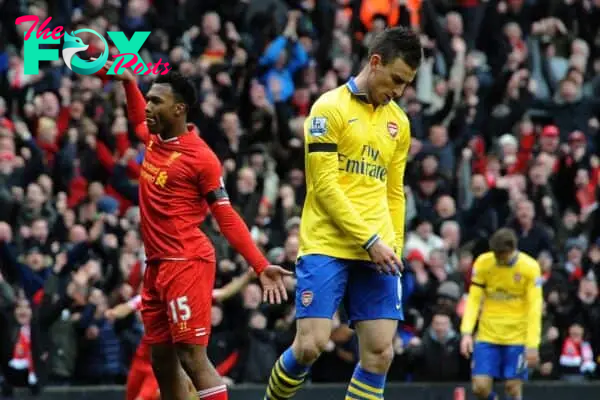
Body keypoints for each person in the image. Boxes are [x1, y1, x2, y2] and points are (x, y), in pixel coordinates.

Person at [95, 61, 291, 400]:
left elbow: (226, 217)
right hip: (156, 266)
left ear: (179, 109)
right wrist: (128, 81)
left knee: (191, 357)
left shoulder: (202, 158)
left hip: (187, 262)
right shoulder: (155, 139)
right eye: (149, 99)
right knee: (161, 362)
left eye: (156, 101)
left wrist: (260, 265)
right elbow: (136, 119)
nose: (149, 106)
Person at [263, 26, 422, 400]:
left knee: (381, 352)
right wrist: (369, 241)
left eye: (407, 84)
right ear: (375, 62)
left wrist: (393, 244)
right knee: (310, 346)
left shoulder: (399, 122)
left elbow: (394, 191)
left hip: (379, 249)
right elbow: (325, 188)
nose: (399, 91)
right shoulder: (327, 109)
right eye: (396, 80)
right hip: (328, 243)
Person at [105, 271, 256, 400]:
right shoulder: (153, 296)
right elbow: (127, 307)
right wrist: (113, 313)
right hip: (142, 356)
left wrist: (248, 276)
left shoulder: (193, 295)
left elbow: (224, 293)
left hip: (164, 357)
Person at [460, 228, 543, 400]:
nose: (498, 258)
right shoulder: (483, 263)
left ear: (513, 249)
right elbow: (474, 300)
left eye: (501, 255)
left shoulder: (530, 268)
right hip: (487, 334)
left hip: (517, 336)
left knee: (512, 388)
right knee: (479, 388)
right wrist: (466, 333)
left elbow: (535, 308)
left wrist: (532, 344)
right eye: (495, 254)